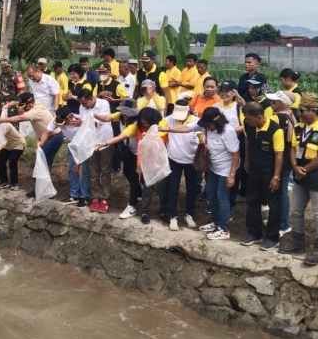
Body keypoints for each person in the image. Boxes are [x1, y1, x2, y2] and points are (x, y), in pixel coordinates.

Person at [279, 93, 318, 265]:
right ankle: (298, 241)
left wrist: (303, 169)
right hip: (299, 174)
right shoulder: (298, 127)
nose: (300, 114)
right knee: (296, 210)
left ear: (315, 110)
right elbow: (293, 148)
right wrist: (295, 166)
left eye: (303, 111)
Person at [170, 107, 240, 240]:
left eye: (208, 124)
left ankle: (223, 229)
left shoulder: (228, 131)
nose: (206, 127)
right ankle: (215, 222)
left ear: (216, 122)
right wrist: (165, 129)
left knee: (222, 198)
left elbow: (235, 154)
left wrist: (232, 175)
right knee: (211, 196)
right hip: (213, 168)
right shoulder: (207, 127)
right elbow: (187, 129)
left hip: (225, 170)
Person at [97, 107, 169, 223]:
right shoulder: (135, 126)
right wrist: (105, 143)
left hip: (158, 160)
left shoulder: (161, 125)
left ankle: (164, 211)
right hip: (141, 158)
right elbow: (121, 136)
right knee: (145, 185)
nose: (144, 125)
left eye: (146, 123)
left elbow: (168, 134)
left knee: (160, 186)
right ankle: (143, 210)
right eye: (142, 123)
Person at [241, 102, 285, 250]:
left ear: (259, 116)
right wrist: (246, 161)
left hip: (270, 172)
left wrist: (276, 176)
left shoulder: (276, 130)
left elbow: (279, 154)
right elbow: (248, 143)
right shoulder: (250, 126)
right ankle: (254, 233)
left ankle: (272, 238)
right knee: (252, 200)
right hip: (254, 170)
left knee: (273, 205)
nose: (247, 121)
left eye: (249, 119)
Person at [163, 101, 201, 230]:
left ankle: (189, 214)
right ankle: (172, 216)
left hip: (192, 161)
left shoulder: (197, 121)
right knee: (172, 188)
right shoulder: (168, 120)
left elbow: (202, 139)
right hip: (173, 159)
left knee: (192, 189)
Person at [265, 90, 297, 237]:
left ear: (283, 103)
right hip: (286, 159)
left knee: (279, 193)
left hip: (279, 160)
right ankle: (282, 222)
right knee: (282, 192)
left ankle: (282, 224)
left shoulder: (278, 118)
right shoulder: (291, 115)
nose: (272, 103)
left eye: (275, 101)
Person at [79, 89, 115, 213]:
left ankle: (105, 198)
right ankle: (95, 197)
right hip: (91, 142)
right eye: (82, 104)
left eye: (85, 104)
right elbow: (84, 123)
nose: (83, 106)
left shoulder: (104, 104)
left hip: (105, 141)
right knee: (93, 171)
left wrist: (89, 120)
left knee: (105, 170)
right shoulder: (82, 107)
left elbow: (103, 120)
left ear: (91, 99)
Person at [0, 92, 57, 164]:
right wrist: (8, 105)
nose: (22, 107)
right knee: (42, 160)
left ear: (30, 104)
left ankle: (43, 174)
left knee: (44, 160)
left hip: (53, 136)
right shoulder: (35, 104)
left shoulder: (35, 111)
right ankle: (42, 174)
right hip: (46, 136)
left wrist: (1, 120)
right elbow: (18, 103)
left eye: (23, 105)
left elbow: (20, 118)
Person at [0, 107, 27, 189]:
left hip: (18, 144)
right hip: (7, 145)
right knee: (1, 161)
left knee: (12, 161)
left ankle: (14, 184)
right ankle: (4, 182)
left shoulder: (6, 126)